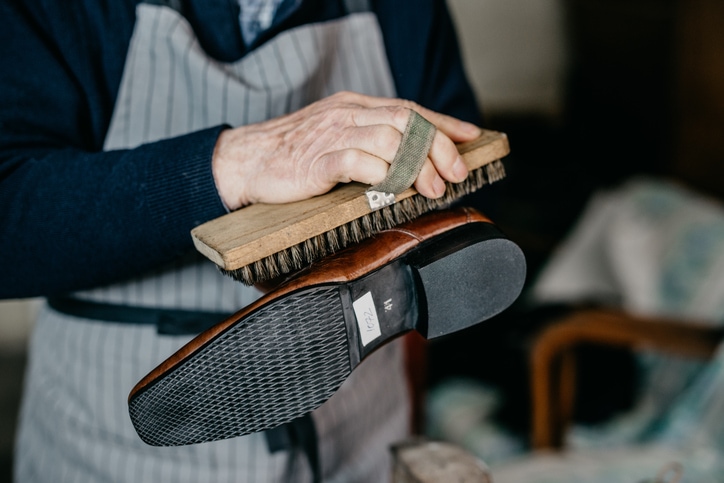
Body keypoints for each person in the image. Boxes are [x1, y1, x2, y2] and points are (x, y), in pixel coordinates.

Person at [0, 0, 483, 481]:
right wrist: (230, 164)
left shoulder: (403, 9)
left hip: (362, 434)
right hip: (117, 447)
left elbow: (461, 187)